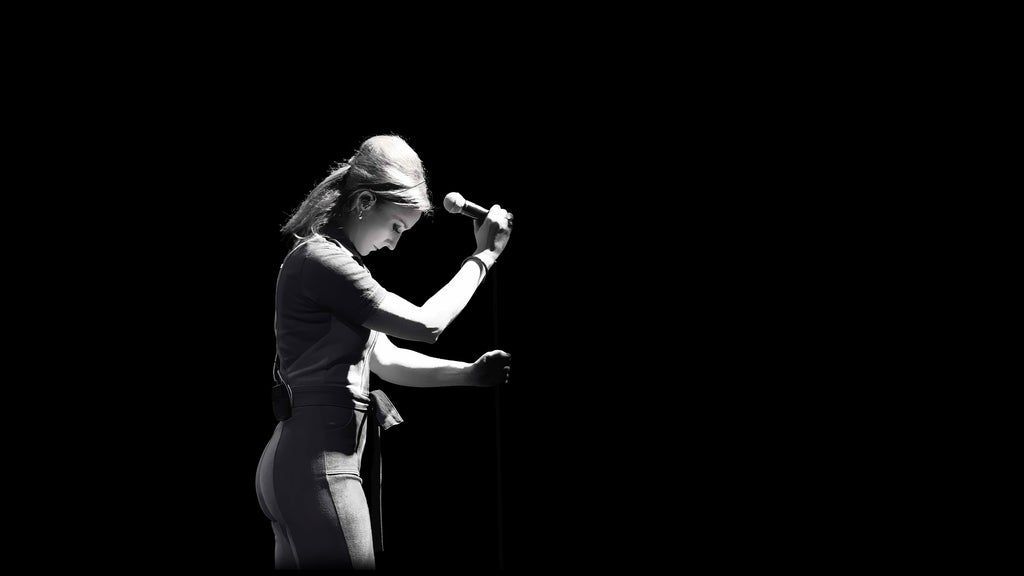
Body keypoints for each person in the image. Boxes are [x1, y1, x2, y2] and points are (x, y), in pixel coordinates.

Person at [255, 135, 513, 569]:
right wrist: (483, 256)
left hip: (300, 461)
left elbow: (386, 360)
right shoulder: (323, 260)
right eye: (396, 226)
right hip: (320, 463)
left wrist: (468, 372)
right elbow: (427, 324)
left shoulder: (330, 263)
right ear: (364, 202)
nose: (394, 243)